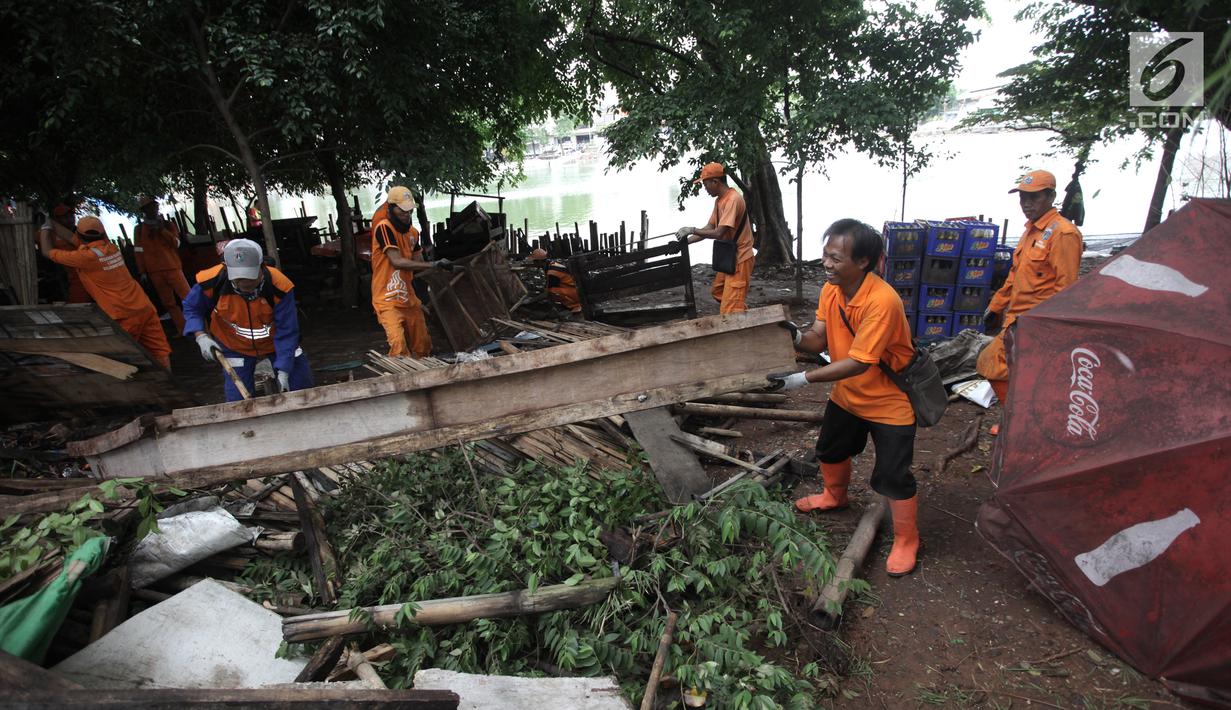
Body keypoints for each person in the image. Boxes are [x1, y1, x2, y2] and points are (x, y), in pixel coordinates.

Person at [768, 219, 921, 577]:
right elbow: (819, 337)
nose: (827, 264)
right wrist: (795, 337)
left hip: (888, 401)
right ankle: (834, 495)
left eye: (836, 258)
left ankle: (906, 539)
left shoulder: (882, 301)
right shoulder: (831, 291)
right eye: (825, 255)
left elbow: (858, 362)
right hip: (847, 396)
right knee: (831, 450)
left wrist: (799, 379)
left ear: (864, 261)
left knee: (893, 475)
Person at [977, 170, 1083, 406]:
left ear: (1051, 196)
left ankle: (1018, 419)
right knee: (999, 366)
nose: (1026, 204)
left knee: (1003, 367)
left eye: (1034, 198)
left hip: (1037, 323)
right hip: (1015, 320)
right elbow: (1014, 276)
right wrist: (994, 307)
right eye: (1023, 198)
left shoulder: (1063, 233)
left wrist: (1053, 328)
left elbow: (1066, 289)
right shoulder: (1031, 231)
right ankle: (1015, 417)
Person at [183, 238, 313, 402]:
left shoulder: (280, 286)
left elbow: (287, 331)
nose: (245, 283)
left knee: (302, 389)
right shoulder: (211, 281)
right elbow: (192, 307)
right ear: (227, 268)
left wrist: (284, 370)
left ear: (261, 266)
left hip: (276, 343)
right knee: (237, 401)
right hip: (234, 345)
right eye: (239, 278)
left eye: (250, 277)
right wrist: (200, 336)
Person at [37, 216, 172, 368]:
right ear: (103, 234)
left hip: (123, 314)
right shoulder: (110, 247)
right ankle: (169, 386)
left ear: (80, 235)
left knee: (123, 359)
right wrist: (50, 220)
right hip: (145, 308)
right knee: (160, 352)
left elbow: (46, 251)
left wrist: (45, 228)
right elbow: (72, 237)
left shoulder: (85, 257)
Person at [369, 186, 454, 358]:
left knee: (423, 345)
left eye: (409, 211)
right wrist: (434, 264)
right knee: (398, 345)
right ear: (391, 208)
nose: (406, 215)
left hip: (409, 298)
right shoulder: (384, 228)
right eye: (402, 211)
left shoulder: (413, 233)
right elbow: (397, 262)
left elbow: (419, 264)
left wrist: (440, 277)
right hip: (387, 299)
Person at [675, 162, 755, 314]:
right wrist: (684, 243)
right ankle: (742, 315)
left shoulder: (732, 200)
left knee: (729, 310)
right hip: (729, 258)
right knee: (718, 291)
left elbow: (719, 233)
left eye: (705, 185)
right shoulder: (720, 200)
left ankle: (736, 318)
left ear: (715, 182)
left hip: (740, 259)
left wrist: (692, 229)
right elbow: (709, 228)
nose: (705, 189)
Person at [134, 195, 191, 334]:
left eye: (154, 206)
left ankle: (201, 328)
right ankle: (182, 329)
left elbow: (176, 243)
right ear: (144, 210)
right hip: (155, 272)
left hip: (173, 267)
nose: (153, 209)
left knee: (189, 299)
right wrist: (142, 271)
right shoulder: (139, 229)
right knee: (169, 303)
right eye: (149, 207)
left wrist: (162, 231)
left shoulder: (167, 225)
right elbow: (138, 251)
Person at [528, 248, 582, 315]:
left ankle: (572, 305)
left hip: (575, 293)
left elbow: (547, 293)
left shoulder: (552, 272)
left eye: (534, 261)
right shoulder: (551, 265)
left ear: (539, 261)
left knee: (552, 291)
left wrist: (531, 300)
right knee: (549, 290)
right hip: (574, 289)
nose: (534, 263)